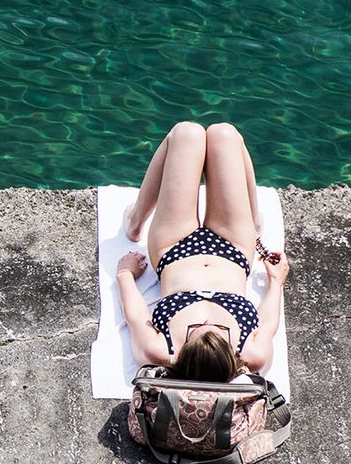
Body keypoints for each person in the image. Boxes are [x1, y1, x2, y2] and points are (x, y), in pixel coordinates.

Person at [115, 122, 289, 380]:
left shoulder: (160, 351)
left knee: (186, 133)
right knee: (225, 134)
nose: (208, 323)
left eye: (195, 329)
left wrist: (124, 275)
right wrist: (276, 281)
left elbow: (136, 316)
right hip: (234, 249)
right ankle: (254, 222)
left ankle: (135, 221)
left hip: (174, 248)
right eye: (219, 330)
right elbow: (267, 324)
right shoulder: (252, 354)